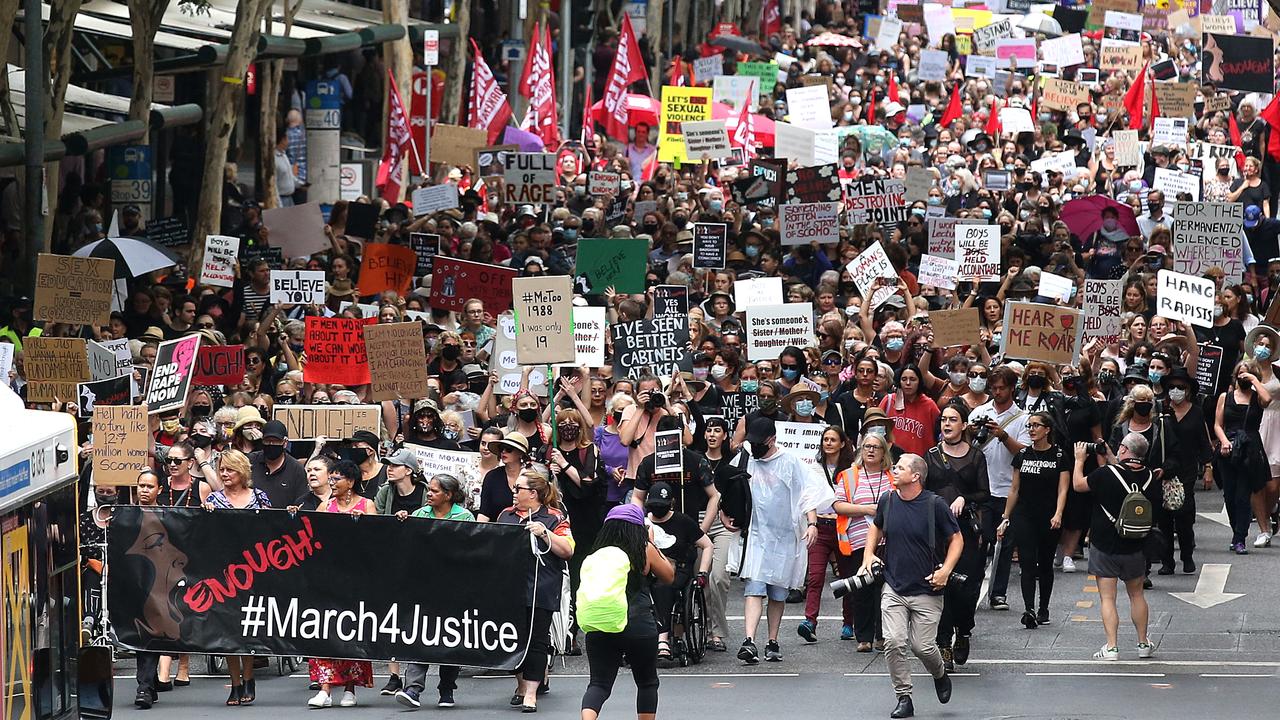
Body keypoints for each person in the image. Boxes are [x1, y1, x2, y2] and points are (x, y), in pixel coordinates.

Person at [860, 453, 961, 719]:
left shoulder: (934, 505)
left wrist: (946, 571)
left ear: (915, 476)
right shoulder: (888, 500)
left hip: (928, 588)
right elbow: (876, 528)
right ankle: (904, 696)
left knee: (922, 647)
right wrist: (868, 554)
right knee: (893, 641)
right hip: (894, 586)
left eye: (900, 467)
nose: (894, 469)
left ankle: (939, 674)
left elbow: (956, 539)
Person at [736, 417, 832, 665]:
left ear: (772, 440)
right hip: (758, 533)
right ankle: (749, 640)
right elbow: (731, 487)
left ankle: (772, 640)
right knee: (754, 588)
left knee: (777, 591)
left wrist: (812, 523)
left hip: (785, 536)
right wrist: (729, 513)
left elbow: (807, 493)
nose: (756, 447)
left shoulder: (790, 462)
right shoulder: (746, 458)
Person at [577, 504, 674, 720]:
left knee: (599, 684)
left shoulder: (597, 553)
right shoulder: (643, 548)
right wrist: (651, 542)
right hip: (638, 624)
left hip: (601, 622)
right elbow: (669, 576)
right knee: (647, 682)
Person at [1071, 434, 1160, 661]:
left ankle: (1112, 647)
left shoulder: (1104, 475)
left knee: (1108, 598)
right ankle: (1142, 643)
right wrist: (1110, 455)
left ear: (1123, 449)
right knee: (1137, 594)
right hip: (1136, 544)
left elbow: (1078, 485)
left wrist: (1079, 459)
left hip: (1104, 543)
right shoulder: (1150, 476)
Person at [496, 466, 574, 712]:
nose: (513, 491)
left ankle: (531, 692)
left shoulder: (554, 517)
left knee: (537, 640)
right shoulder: (505, 515)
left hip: (542, 586)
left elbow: (568, 550)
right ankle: (520, 684)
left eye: (518, 488)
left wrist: (545, 533)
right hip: (510, 587)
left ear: (534, 493)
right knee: (511, 639)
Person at [394, 474, 474, 709]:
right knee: (420, 635)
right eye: (428, 490)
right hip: (424, 587)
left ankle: (447, 689)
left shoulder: (464, 517)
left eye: (434, 491)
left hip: (454, 589)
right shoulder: (420, 514)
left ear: (448, 495)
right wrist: (402, 521)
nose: (428, 494)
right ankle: (413, 689)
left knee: (450, 638)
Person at [201, 449, 271, 706]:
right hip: (224, 573)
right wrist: (205, 514)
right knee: (227, 629)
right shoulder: (215, 499)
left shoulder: (259, 497)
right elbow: (204, 536)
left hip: (254, 570)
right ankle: (236, 683)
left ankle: (249, 676)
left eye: (229, 469)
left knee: (248, 626)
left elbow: (272, 530)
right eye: (221, 469)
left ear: (242, 471)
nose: (224, 474)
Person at [923, 403, 989, 671]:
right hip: (937, 531)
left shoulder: (975, 456)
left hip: (966, 531)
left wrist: (965, 497)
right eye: (944, 420)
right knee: (941, 586)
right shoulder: (930, 455)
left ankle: (964, 631)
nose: (947, 424)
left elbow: (985, 494)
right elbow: (921, 490)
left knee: (967, 588)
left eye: (953, 420)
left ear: (964, 425)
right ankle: (943, 644)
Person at [306, 459, 375, 708]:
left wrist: (364, 525)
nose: (333, 483)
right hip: (328, 578)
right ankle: (324, 690)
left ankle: (350, 688)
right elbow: (312, 538)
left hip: (356, 581)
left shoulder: (367, 505)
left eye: (337, 479)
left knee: (351, 632)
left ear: (351, 481)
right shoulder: (325, 506)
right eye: (331, 479)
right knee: (324, 631)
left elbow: (377, 544)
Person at [1000, 412, 1069, 629]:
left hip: (1048, 515)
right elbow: (1014, 489)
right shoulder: (1022, 455)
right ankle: (1029, 609)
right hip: (1024, 514)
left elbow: (1063, 489)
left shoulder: (1059, 455)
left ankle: (1043, 608)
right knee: (1027, 562)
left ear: (1047, 429)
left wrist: (1058, 513)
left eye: (1036, 426)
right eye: (1029, 426)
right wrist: (1005, 517)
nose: (1031, 429)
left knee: (1045, 564)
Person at [972, 367, 1029, 611]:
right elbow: (968, 447)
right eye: (993, 388)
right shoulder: (979, 412)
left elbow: (1026, 453)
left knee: (1004, 543)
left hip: (1008, 489)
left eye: (1001, 388)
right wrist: (971, 432)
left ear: (1012, 388)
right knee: (979, 540)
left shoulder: (1023, 418)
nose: (997, 392)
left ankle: (998, 593)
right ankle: (973, 586)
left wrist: (1003, 435)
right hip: (982, 488)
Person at [832, 431, 894, 653]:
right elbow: (838, 505)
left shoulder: (892, 477)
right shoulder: (849, 475)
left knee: (884, 590)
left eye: (875, 447)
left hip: (887, 542)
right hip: (857, 542)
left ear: (883, 452)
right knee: (861, 590)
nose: (870, 450)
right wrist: (867, 510)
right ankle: (864, 637)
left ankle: (881, 635)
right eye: (866, 446)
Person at [798, 426, 857, 643]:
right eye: (825, 440)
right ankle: (810, 621)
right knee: (815, 577)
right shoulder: (813, 469)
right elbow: (809, 499)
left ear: (842, 443)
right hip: (821, 526)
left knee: (847, 576)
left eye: (833, 439)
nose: (828, 443)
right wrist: (812, 523)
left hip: (844, 527)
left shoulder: (852, 470)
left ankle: (848, 622)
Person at [644, 481, 713, 666]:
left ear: (672, 504)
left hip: (677, 569)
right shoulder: (642, 521)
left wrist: (703, 573)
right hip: (648, 569)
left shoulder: (682, 521)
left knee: (663, 586)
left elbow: (707, 545)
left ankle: (663, 640)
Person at [1213, 361, 1273, 553]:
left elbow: (1267, 399)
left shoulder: (1257, 398)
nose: (1243, 378)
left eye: (1247, 375)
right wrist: (1223, 441)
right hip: (1228, 449)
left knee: (1242, 497)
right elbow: (1217, 424)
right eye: (1241, 374)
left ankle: (1240, 538)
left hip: (1250, 450)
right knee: (1229, 496)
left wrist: (1255, 380)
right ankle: (1235, 532)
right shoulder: (1226, 397)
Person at [249, 420, 308, 507]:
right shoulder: (250, 461)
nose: (271, 444)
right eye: (267, 440)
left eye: (276, 441)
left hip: (284, 519)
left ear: (285, 443)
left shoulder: (296, 469)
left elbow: (301, 503)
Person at [477, 431, 530, 522]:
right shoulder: (492, 477)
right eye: (501, 448)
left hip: (527, 529)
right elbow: (484, 512)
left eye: (509, 449)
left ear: (520, 453)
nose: (504, 452)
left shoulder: (532, 477)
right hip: (496, 531)